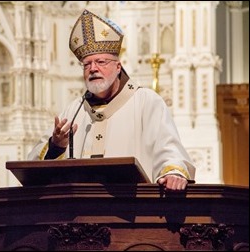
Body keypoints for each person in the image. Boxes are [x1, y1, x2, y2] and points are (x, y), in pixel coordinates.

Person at [28, 9, 196, 191]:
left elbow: (169, 149)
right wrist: (56, 146)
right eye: (87, 64)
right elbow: (35, 162)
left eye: (101, 62)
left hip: (135, 210)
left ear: (118, 67)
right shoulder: (74, 110)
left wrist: (173, 173)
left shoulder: (146, 102)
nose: (92, 69)